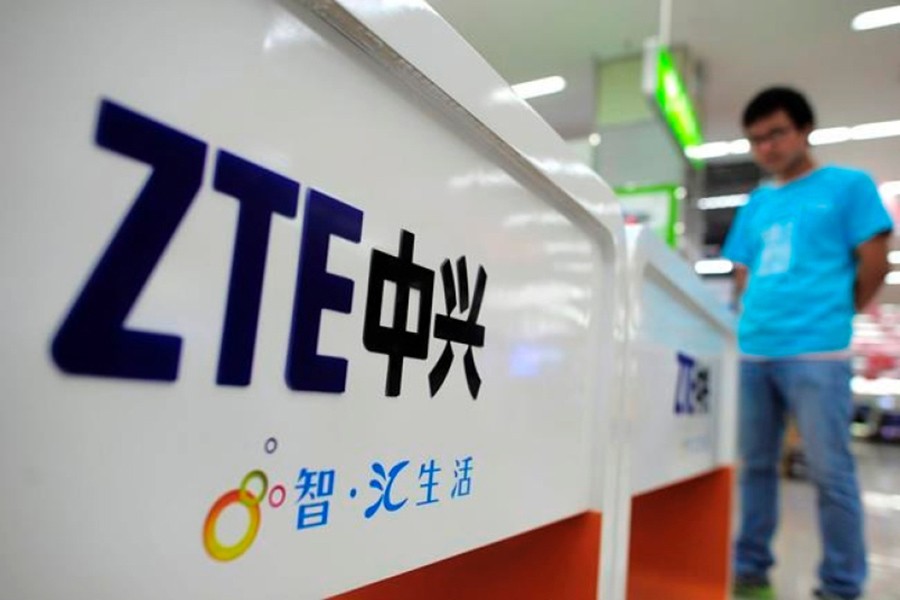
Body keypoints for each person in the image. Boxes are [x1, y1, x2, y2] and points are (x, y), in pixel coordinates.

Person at [723, 87, 893, 600]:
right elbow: (741, 271)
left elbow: (875, 260)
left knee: (830, 471)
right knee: (754, 467)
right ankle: (750, 569)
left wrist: (838, 312)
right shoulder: (756, 202)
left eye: (775, 133)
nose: (767, 148)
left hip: (817, 350)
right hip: (755, 349)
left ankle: (841, 586)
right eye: (756, 140)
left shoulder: (847, 186)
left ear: (803, 130)